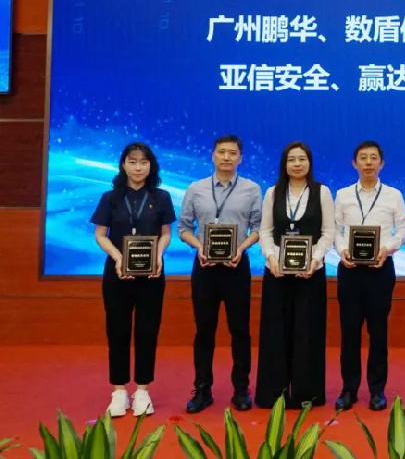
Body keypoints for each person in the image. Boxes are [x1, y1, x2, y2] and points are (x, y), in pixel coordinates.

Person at [178, 135, 263, 413]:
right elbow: (183, 228)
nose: (226, 157)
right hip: (204, 267)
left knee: (240, 331)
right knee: (204, 331)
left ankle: (241, 388)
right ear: (213, 155)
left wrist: (241, 248)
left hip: (237, 266)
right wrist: (200, 247)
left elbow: (258, 228)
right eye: (222, 152)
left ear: (240, 158)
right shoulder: (196, 188)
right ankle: (202, 389)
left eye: (232, 153)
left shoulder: (252, 189)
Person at [91, 142, 175, 417]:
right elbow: (101, 235)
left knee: (147, 330)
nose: (138, 167)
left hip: (152, 274)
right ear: (123, 165)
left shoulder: (161, 197)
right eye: (132, 161)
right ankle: (119, 391)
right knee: (117, 330)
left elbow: (166, 233)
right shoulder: (110, 197)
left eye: (143, 162)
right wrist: (118, 257)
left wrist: (158, 256)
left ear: (151, 166)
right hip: (117, 273)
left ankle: (142, 390)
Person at [255, 141, 336, 409]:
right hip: (277, 273)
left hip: (311, 275)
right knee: (275, 334)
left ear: (309, 163)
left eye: (302, 159)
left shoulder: (322, 192)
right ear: (284, 164)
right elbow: (266, 232)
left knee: (307, 333)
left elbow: (328, 232)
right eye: (292, 159)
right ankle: (273, 395)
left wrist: (315, 259)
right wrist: (271, 258)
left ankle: (306, 394)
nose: (297, 164)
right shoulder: (272, 192)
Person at [333, 140, 405, 412]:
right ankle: (349, 389)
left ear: (382, 163)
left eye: (373, 158)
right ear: (354, 164)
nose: (368, 163)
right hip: (350, 271)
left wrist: (387, 248)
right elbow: (335, 229)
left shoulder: (393, 195)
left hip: (381, 269)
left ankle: (377, 390)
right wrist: (342, 250)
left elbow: (404, 228)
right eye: (363, 158)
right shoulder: (343, 195)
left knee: (378, 331)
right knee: (349, 332)